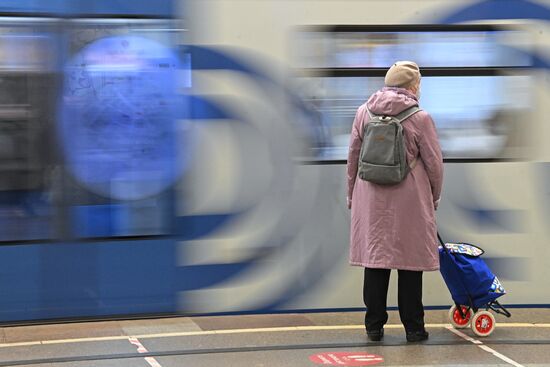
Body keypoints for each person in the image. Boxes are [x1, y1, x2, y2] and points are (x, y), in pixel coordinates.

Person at [346, 61, 443, 342]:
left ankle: (374, 326)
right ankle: (413, 328)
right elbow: (434, 164)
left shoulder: (363, 112)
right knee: (409, 264)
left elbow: (352, 157)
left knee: (375, 262)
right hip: (410, 197)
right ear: (412, 86)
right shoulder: (420, 117)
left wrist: (352, 193)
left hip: (370, 197)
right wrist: (433, 196)